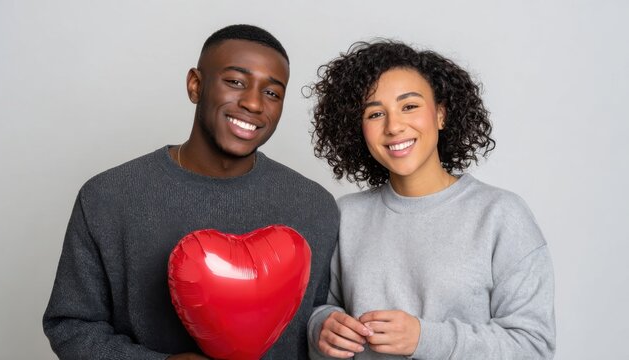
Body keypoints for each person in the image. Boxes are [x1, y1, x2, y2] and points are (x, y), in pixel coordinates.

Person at [43, 24, 339, 360]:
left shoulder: (315, 207)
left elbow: (320, 323)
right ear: (195, 85)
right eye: (235, 82)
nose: (254, 103)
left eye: (271, 93)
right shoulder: (107, 197)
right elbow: (70, 325)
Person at [306, 41, 556, 359]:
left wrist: (424, 339)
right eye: (375, 113)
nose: (394, 126)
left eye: (409, 106)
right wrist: (321, 326)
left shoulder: (501, 215)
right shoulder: (346, 215)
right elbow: (316, 310)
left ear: (440, 114)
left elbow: (533, 347)